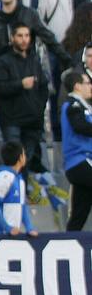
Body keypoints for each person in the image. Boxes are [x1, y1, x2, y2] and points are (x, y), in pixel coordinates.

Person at [0, 25, 54, 199]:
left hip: (33, 121)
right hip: (12, 119)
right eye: (20, 35)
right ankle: (9, 195)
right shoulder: (3, 61)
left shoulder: (34, 60)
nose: (24, 39)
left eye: (27, 35)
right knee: (14, 160)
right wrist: (20, 84)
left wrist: (39, 107)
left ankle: (22, 195)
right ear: (12, 38)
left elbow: (43, 87)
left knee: (26, 161)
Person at [61, 71, 92, 231]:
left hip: (81, 163)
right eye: (88, 83)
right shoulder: (74, 105)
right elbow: (79, 126)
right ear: (77, 86)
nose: (90, 86)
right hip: (79, 161)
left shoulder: (83, 106)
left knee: (80, 211)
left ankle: (69, 240)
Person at [0, 141, 36, 237]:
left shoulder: (19, 179)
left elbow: (23, 206)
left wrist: (29, 228)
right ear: (21, 158)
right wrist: (8, 228)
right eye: (24, 154)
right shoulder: (4, 177)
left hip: (12, 235)